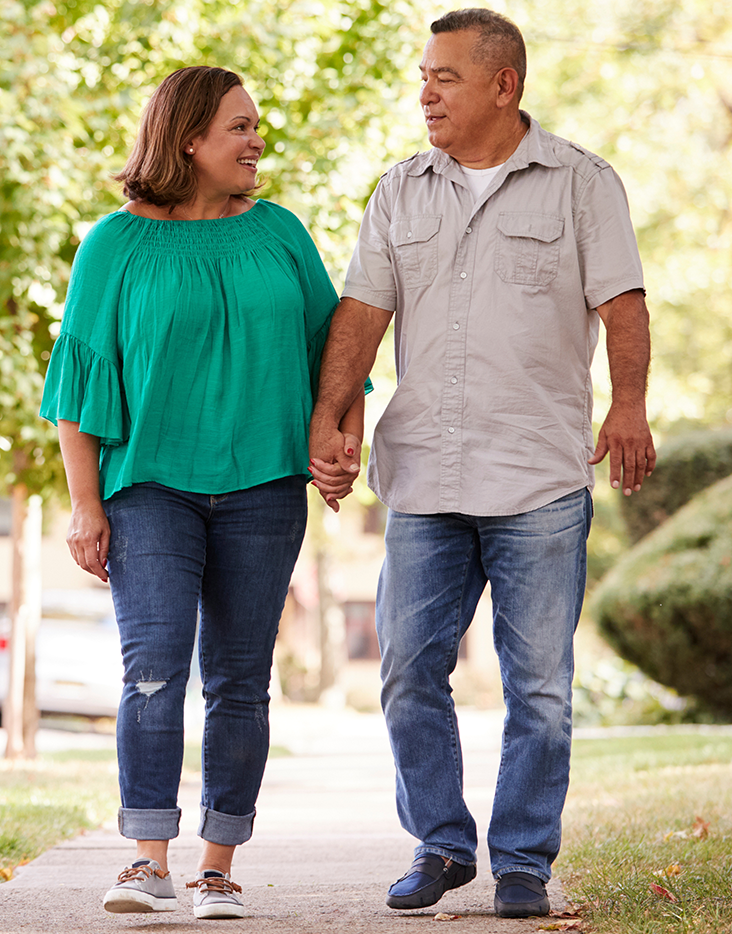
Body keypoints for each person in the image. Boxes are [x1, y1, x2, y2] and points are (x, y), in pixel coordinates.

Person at [307, 8, 656, 920]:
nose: (425, 92)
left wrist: (627, 404)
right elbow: (360, 315)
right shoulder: (400, 192)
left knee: (537, 686)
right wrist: (330, 416)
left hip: (537, 476)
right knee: (406, 670)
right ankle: (438, 845)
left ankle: (524, 861)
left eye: (446, 77)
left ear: (503, 85)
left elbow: (622, 302)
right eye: (424, 76)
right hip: (423, 475)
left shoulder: (581, 184)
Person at [39, 65, 364, 920]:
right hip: (148, 488)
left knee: (239, 680)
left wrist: (337, 444)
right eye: (238, 127)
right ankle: (147, 860)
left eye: (257, 127)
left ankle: (216, 867)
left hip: (262, 486)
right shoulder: (113, 244)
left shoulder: (281, 235)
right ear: (187, 140)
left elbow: (335, 357)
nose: (256, 141)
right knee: (151, 672)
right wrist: (84, 504)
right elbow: (79, 381)